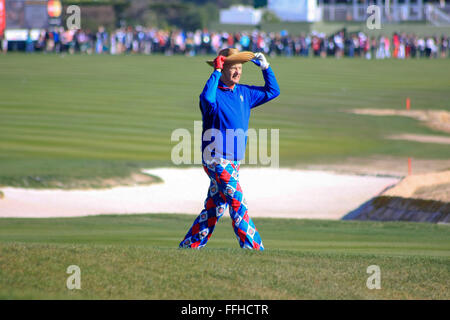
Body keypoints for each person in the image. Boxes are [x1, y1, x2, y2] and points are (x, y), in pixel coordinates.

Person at [179, 48, 280, 250]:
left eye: (240, 68)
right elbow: (206, 98)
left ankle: (190, 245)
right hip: (216, 159)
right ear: (223, 69)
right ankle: (253, 248)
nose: (237, 72)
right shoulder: (214, 95)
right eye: (233, 68)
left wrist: (266, 68)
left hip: (233, 162)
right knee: (237, 201)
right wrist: (215, 72)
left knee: (214, 208)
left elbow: (273, 91)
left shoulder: (244, 93)